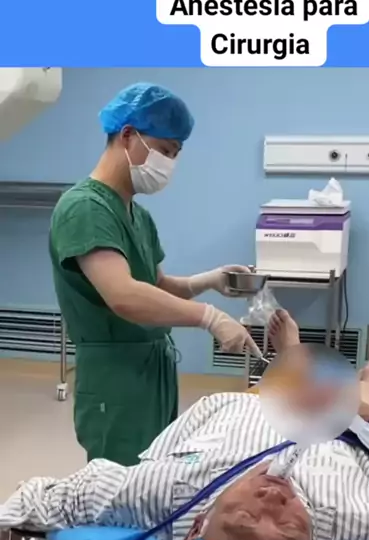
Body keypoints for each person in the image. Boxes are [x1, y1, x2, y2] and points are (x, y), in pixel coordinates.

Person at [1, 312, 369, 540]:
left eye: (245, 517)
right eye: (290, 528)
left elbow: (62, 496)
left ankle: (290, 357)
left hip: (245, 416)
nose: (272, 500)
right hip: (346, 437)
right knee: (366, 393)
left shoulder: (169, 491)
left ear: (197, 527)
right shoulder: (368, 530)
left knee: (277, 385)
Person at [49, 82, 261, 467]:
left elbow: (156, 286)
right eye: (164, 150)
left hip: (151, 371)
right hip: (116, 378)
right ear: (128, 135)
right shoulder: (85, 208)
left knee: (155, 476)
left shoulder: (137, 215)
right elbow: (124, 296)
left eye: (175, 155)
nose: (168, 164)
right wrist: (209, 318)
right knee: (124, 485)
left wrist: (208, 280)